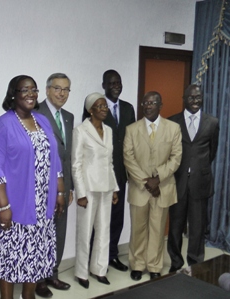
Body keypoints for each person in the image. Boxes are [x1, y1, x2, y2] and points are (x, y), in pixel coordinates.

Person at [0, 75, 64, 299]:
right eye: (24, 90)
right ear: (13, 94)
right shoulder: (2, 125)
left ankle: (28, 296)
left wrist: (59, 191)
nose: (30, 94)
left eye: (34, 89)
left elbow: (55, 160)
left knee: (36, 257)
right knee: (11, 259)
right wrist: (3, 207)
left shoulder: (43, 121)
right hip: (16, 207)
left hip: (43, 207)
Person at [123, 91, 182, 281]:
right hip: (140, 188)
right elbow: (128, 158)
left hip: (162, 187)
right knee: (138, 229)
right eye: (145, 103)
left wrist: (158, 178)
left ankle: (155, 265)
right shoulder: (131, 129)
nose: (148, 106)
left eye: (152, 102)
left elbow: (176, 158)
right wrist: (146, 181)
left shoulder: (173, 128)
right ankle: (138, 264)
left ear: (160, 105)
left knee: (157, 229)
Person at [82, 70, 136, 272]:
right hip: (98, 175)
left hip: (120, 175)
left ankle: (111, 255)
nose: (116, 86)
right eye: (111, 83)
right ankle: (92, 260)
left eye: (118, 82)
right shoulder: (97, 108)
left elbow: (133, 140)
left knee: (116, 219)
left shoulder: (129, 109)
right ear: (103, 85)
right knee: (97, 219)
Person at [167, 84, 219, 272]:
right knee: (175, 226)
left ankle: (195, 264)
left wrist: (197, 168)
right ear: (184, 99)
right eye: (191, 98)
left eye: (198, 97)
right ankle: (176, 263)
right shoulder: (173, 122)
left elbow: (212, 151)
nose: (195, 101)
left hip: (200, 183)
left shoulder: (212, 122)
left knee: (197, 227)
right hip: (178, 182)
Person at [72, 92, 119, 289]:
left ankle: (99, 269)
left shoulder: (109, 130)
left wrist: (115, 188)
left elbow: (110, 162)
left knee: (104, 230)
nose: (104, 109)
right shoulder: (80, 131)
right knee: (85, 232)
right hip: (89, 189)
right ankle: (81, 273)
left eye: (105, 106)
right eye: (99, 106)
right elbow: (76, 164)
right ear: (90, 110)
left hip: (107, 187)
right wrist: (80, 193)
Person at [35, 73, 73, 297]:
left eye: (66, 89)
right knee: (42, 235)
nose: (61, 93)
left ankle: (52, 273)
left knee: (59, 232)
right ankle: (39, 280)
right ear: (47, 90)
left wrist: (69, 187)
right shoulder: (35, 113)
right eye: (57, 89)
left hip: (63, 186)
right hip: (42, 188)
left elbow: (68, 155)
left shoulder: (68, 116)